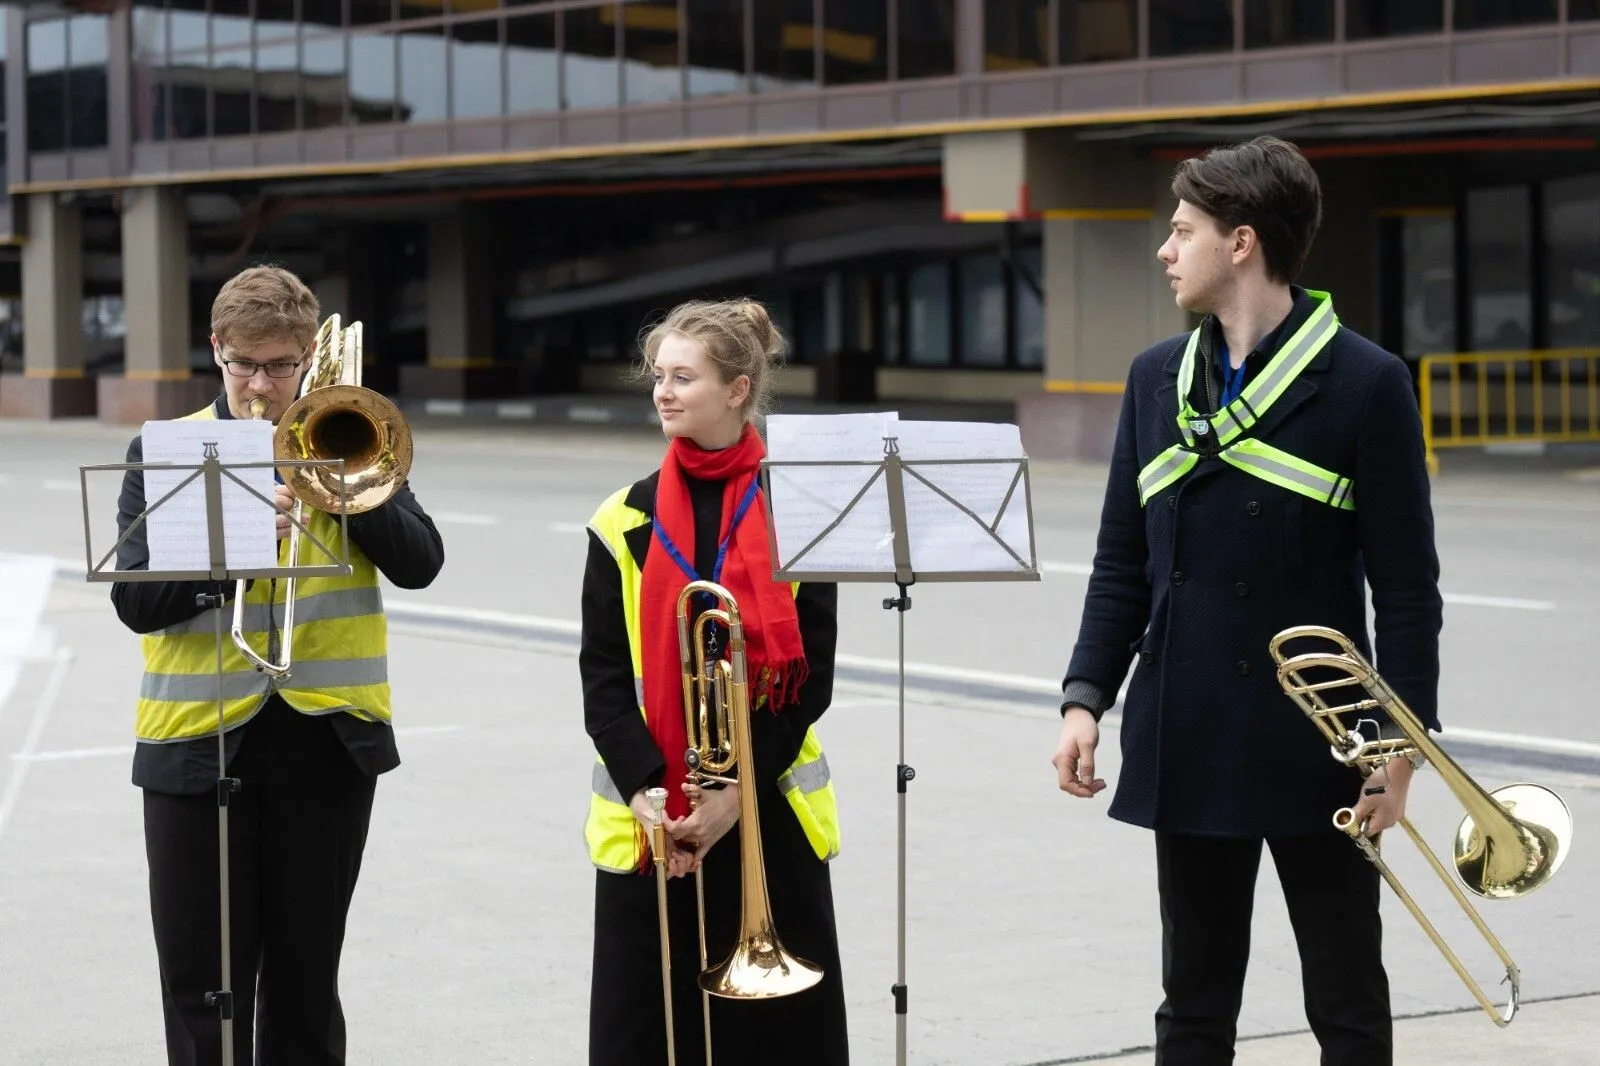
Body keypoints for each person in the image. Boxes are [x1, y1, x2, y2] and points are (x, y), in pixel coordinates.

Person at [1051, 136, 1443, 1066]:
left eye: (1181, 230)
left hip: (1325, 742)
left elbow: (1408, 589)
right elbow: (1120, 563)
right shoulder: (1155, 378)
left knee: (1346, 998)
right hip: (1187, 725)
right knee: (1192, 1004)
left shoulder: (1366, 381)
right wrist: (1084, 698)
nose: (1164, 249)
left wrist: (1402, 749)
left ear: (1241, 243)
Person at [110, 265, 445, 1065]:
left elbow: (422, 562)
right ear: (216, 349)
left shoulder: (347, 434)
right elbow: (136, 603)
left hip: (327, 741)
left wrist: (345, 488)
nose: (261, 386)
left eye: (281, 366)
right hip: (195, 744)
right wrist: (239, 538)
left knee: (304, 977)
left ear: (310, 358)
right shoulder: (168, 449)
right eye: (244, 365)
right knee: (202, 984)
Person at [580, 298, 850, 1065]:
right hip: (658, 819)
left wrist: (737, 792)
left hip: (765, 811)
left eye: (683, 377)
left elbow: (812, 675)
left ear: (737, 390)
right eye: (658, 376)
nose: (663, 391)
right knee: (649, 1030)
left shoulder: (797, 507)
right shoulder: (621, 517)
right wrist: (643, 789)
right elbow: (602, 674)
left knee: (777, 1043)